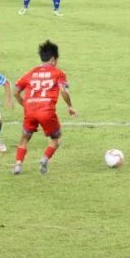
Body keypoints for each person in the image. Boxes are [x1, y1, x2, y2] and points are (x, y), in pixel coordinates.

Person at [12, 40, 76, 175]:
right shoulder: (58, 73)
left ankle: (18, 165)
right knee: (56, 138)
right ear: (53, 59)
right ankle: (44, 159)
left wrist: (25, 104)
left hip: (30, 110)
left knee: (25, 138)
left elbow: (16, 91)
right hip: (46, 111)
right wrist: (70, 106)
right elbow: (63, 91)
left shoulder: (31, 73)